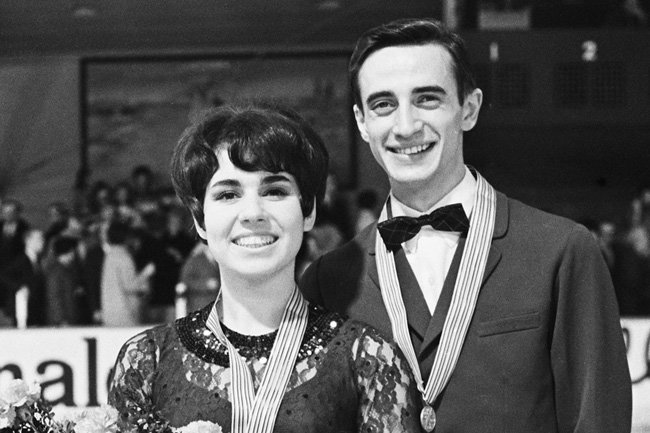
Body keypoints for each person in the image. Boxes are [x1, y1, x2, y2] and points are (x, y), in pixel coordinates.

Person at [300, 18, 631, 433]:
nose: (406, 126)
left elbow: (598, 420)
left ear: (469, 110)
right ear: (362, 122)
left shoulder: (562, 252)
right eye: (384, 105)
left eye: (427, 99)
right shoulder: (328, 281)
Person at [108, 104, 421, 433]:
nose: (252, 213)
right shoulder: (147, 360)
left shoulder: (368, 359)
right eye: (228, 194)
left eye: (274, 191)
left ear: (308, 211)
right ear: (200, 220)